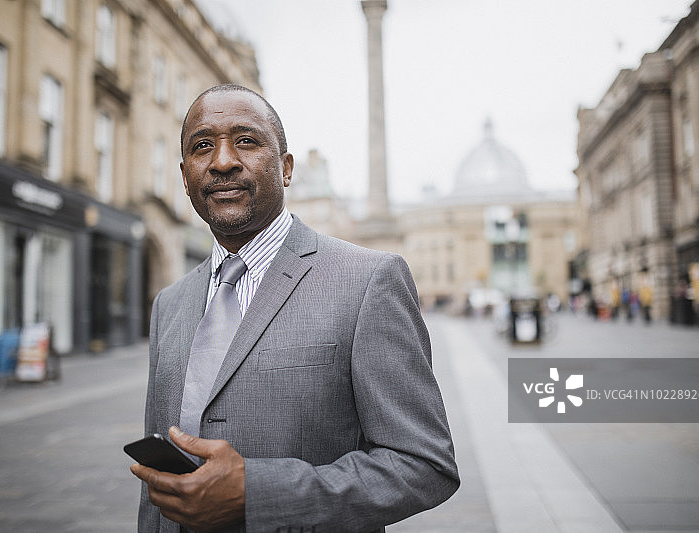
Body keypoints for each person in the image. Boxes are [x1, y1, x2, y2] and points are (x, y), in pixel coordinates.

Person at [130, 84, 459, 533]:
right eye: (202, 146)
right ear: (186, 175)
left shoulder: (367, 281)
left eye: (246, 140)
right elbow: (157, 489)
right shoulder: (169, 304)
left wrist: (259, 494)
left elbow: (424, 464)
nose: (222, 161)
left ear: (286, 169)